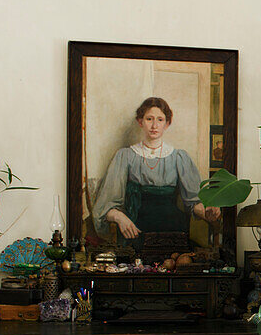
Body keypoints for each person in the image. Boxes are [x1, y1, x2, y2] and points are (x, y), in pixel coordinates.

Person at [92, 97, 220, 240]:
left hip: (173, 229)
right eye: (149, 119)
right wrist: (119, 217)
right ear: (140, 122)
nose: (154, 125)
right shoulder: (125, 156)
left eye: (160, 120)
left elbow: (193, 202)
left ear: (167, 124)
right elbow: (104, 206)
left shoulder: (178, 157)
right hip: (135, 229)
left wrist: (207, 212)